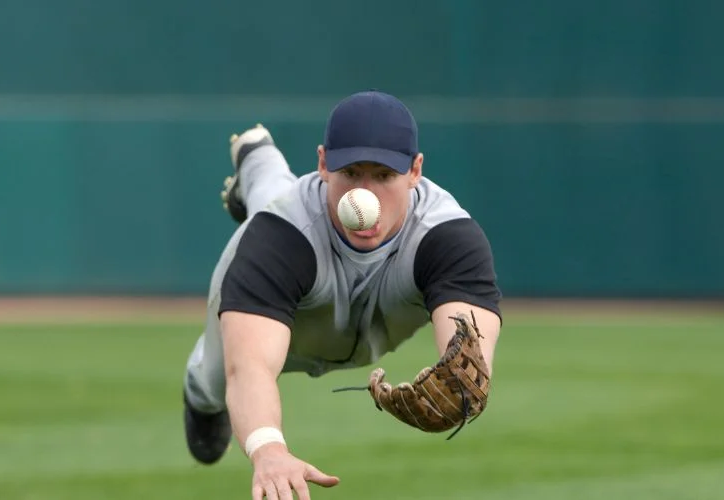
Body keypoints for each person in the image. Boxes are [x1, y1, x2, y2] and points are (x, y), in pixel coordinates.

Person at [182, 90, 503, 500]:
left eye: (384, 175)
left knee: (289, 200)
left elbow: (469, 351)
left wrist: (463, 385)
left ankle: (258, 161)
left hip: (353, 311)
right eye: (350, 172)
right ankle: (259, 165)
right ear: (323, 163)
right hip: (287, 289)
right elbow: (249, 369)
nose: (363, 194)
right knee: (213, 384)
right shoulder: (277, 237)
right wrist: (268, 449)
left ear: (415, 171)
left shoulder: (446, 237)